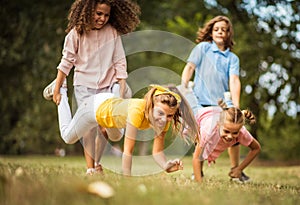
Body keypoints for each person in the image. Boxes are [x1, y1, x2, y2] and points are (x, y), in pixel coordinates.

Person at [43, 0, 140, 175]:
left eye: (106, 15)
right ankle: (90, 169)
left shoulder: (112, 33)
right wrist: (58, 89)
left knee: (105, 127)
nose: (102, 18)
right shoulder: (76, 34)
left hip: (108, 86)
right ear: (87, 12)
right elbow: (66, 63)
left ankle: (97, 163)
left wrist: (122, 90)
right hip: (84, 86)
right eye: (98, 14)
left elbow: (120, 63)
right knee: (88, 128)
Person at [49, 83, 198, 175]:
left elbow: (157, 151)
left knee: (115, 137)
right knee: (67, 137)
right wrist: (126, 177)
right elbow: (128, 151)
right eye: (160, 113)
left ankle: (115, 88)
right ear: (150, 105)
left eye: (170, 116)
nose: (164, 119)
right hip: (94, 108)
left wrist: (166, 166)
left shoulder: (164, 120)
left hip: (111, 108)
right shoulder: (137, 111)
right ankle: (61, 91)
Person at [180, 15, 247, 181]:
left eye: (224, 30)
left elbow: (234, 80)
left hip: (222, 102)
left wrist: (236, 105)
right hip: (200, 100)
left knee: (235, 131)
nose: (220, 32)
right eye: (216, 29)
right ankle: (198, 171)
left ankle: (235, 171)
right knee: (203, 136)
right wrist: (183, 85)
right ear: (211, 31)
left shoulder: (233, 58)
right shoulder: (203, 48)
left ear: (228, 34)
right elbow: (190, 67)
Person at [192, 98, 261, 183]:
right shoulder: (208, 130)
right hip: (201, 118)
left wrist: (239, 169)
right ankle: (198, 173)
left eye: (235, 132)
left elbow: (256, 148)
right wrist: (199, 183)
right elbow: (196, 157)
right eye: (226, 131)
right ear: (218, 125)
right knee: (201, 150)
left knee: (234, 140)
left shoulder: (242, 132)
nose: (230, 136)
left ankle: (236, 172)